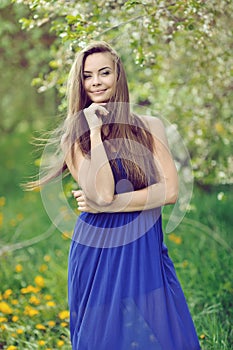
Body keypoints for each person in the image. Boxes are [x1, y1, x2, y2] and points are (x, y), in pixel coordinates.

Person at [29, 41, 201, 349]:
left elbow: (171, 191)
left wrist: (108, 206)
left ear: (118, 75)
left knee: (169, 336)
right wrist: (94, 131)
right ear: (79, 82)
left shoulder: (150, 127)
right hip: (97, 251)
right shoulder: (75, 136)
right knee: (101, 340)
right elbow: (104, 191)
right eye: (87, 75)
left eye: (104, 73)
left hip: (145, 248)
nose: (96, 81)